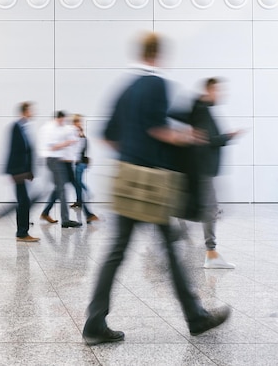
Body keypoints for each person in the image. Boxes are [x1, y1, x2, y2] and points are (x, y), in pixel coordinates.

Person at [82, 33, 230, 345]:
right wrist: (188, 137)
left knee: (116, 253)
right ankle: (196, 316)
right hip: (151, 183)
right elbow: (158, 129)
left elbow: (107, 134)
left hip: (126, 178)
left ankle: (94, 322)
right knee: (170, 251)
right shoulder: (155, 84)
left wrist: (132, 152)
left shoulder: (125, 88)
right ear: (157, 55)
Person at [185, 78, 240, 269]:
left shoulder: (202, 109)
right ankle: (211, 252)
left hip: (204, 168)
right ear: (209, 90)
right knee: (210, 209)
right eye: (217, 90)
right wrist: (228, 136)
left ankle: (210, 252)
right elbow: (208, 139)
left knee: (210, 209)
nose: (221, 94)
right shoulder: (202, 110)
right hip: (203, 167)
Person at [39, 111, 81, 228]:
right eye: (62, 120)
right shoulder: (50, 128)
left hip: (58, 160)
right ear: (58, 118)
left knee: (59, 189)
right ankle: (65, 220)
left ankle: (46, 213)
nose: (63, 122)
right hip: (54, 160)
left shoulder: (58, 128)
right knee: (61, 189)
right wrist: (67, 143)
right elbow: (52, 147)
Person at [5, 102, 38, 242]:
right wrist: (16, 172)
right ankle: (22, 233)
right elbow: (14, 150)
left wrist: (29, 171)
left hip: (22, 171)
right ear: (25, 111)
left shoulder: (23, 127)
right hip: (17, 171)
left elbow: (27, 151)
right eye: (31, 110)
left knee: (23, 201)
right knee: (23, 201)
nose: (33, 112)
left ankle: (22, 230)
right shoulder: (16, 127)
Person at [70, 114, 99, 224]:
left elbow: (79, 150)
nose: (77, 123)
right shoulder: (78, 133)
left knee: (78, 182)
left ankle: (87, 193)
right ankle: (79, 201)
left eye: (78, 121)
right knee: (77, 182)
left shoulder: (80, 135)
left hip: (80, 163)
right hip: (78, 162)